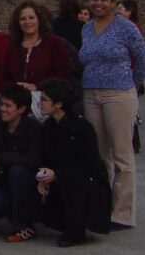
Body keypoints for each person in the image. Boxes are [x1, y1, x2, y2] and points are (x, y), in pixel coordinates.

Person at [78, 0, 145, 230]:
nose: (98, 3)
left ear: (113, 2)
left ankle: (122, 213)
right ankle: (102, 206)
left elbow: (143, 60)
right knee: (99, 154)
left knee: (121, 154)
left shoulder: (125, 27)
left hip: (118, 93)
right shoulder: (87, 28)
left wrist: (131, 84)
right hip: (91, 93)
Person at [35, 78, 113, 247]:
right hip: (62, 178)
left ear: (58, 104)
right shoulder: (48, 126)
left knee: (73, 184)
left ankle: (75, 232)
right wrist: (42, 177)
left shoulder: (81, 127)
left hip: (86, 182)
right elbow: (46, 157)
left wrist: (57, 174)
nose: (40, 103)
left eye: (45, 99)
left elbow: (90, 166)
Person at [0, 83, 41, 242]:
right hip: (4, 182)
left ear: (21, 109)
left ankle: (22, 226)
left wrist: (1, 158)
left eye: (8, 106)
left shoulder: (34, 129)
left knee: (18, 172)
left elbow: (33, 160)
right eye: (2, 104)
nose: (2, 109)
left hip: (31, 185)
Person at [4, 0, 70, 96]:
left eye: (31, 18)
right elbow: (3, 76)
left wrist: (36, 86)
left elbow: (62, 75)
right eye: (23, 19)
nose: (27, 22)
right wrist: (16, 88)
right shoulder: (12, 46)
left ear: (39, 19)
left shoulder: (54, 43)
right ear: (18, 22)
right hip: (17, 101)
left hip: (47, 99)